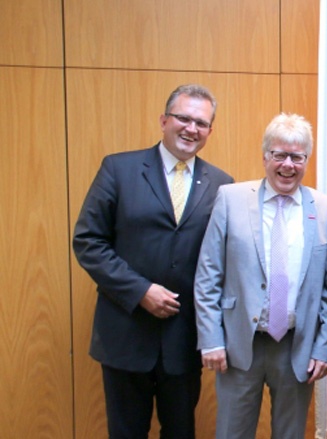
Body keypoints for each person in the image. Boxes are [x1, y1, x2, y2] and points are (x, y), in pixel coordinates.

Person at [72, 84, 234, 438]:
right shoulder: (119, 169)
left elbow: (224, 261)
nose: (191, 129)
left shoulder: (222, 185)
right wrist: (140, 290)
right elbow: (88, 241)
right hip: (125, 332)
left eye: (201, 123)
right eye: (183, 118)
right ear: (163, 120)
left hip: (185, 339)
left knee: (180, 432)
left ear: (210, 131)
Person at [194, 113, 327, 439]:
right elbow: (208, 274)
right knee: (231, 433)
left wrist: (323, 348)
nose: (288, 165)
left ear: (306, 160)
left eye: (297, 157)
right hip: (238, 343)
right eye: (279, 155)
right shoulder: (230, 199)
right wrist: (211, 339)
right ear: (264, 157)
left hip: (296, 347)